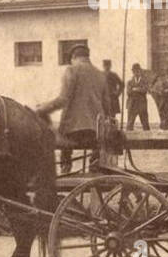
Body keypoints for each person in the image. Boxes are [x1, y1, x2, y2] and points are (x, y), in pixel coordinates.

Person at [35, 43, 112, 174]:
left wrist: (42, 108)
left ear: (73, 57)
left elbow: (63, 100)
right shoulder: (100, 74)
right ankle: (94, 166)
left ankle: (65, 171)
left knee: (50, 138)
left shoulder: (71, 70)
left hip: (73, 133)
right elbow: (107, 105)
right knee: (95, 147)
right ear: (87, 56)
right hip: (96, 133)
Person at [126, 63, 150, 131]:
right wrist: (139, 89)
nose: (136, 73)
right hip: (132, 105)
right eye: (134, 71)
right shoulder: (129, 82)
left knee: (145, 123)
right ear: (132, 72)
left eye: (137, 71)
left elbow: (145, 90)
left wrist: (135, 89)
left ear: (140, 71)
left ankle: (147, 139)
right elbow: (128, 92)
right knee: (130, 123)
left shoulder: (144, 81)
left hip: (142, 105)